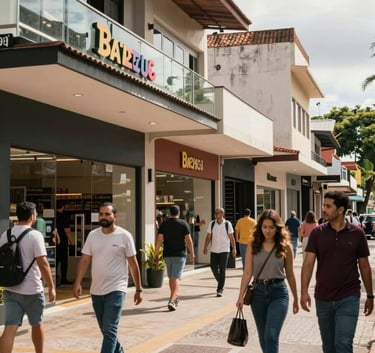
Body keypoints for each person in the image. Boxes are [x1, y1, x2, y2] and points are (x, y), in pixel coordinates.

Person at [301, 191, 373, 353]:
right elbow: (308, 264)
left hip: (349, 296)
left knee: (344, 344)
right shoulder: (317, 233)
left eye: (328, 206)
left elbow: (365, 266)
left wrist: (370, 295)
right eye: (323, 205)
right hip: (323, 298)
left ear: (340, 210)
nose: (323, 209)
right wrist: (304, 292)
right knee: (329, 347)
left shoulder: (357, 234)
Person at [73, 202, 143, 353]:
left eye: (107, 214)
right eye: (101, 214)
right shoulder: (93, 235)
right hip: (96, 290)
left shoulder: (125, 236)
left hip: (116, 289)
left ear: (115, 217)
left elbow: (133, 263)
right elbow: (85, 260)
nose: (103, 217)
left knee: (110, 328)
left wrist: (139, 288)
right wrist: (77, 282)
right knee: (106, 330)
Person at [236, 209, 299, 353]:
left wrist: (296, 298)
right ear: (260, 227)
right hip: (257, 293)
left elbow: (290, 274)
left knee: (271, 335)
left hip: (279, 292)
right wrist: (240, 296)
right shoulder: (253, 245)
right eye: (264, 227)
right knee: (263, 337)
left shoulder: (285, 246)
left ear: (277, 228)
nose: (268, 231)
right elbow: (247, 273)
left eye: (271, 227)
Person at [0, 201, 55, 353]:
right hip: (32, 290)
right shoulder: (35, 235)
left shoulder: (7, 233)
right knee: (37, 324)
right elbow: (43, 263)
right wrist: (51, 287)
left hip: (11, 288)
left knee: (9, 328)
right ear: (32, 216)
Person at [154, 205, 194, 311]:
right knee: (175, 278)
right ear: (179, 213)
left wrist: (156, 254)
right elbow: (188, 240)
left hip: (167, 254)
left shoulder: (164, 224)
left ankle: (174, 297)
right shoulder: (183, 224)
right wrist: (192, 253)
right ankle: (172, 300)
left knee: (172, 278)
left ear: (169, 213)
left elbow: (159, 240)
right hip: (179, 254)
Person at [203, 207, 236, 297]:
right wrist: (205, 246)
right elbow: (208, 236)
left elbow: (231, 237)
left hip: (224, 250)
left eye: (217, 213)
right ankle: (221, 281)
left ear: (222, 214)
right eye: (215, 213)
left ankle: (220, 289)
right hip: (214, 250)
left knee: (222, 269)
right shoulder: (212, 223)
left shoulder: (227, 224)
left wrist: (234, 248)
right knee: (213, 267)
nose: (215, 214)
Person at [56, 201, 75, 285]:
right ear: (63, 207)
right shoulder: (64, 217)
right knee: (64, 262)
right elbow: (67, 231)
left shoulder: (54, 216)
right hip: (63, 242)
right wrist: (72, 241)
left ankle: (55, 278)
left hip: (55, 242)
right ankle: (63, 279)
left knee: (55, 261)